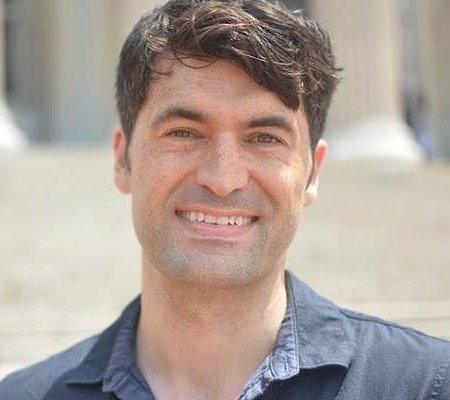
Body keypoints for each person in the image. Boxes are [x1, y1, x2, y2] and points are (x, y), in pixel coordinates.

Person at [1, 0, 449, 399]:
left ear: (313, 172)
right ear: (123, 159)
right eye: (183, 133)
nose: (222, 178)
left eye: (264, 138)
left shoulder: (430, 385)